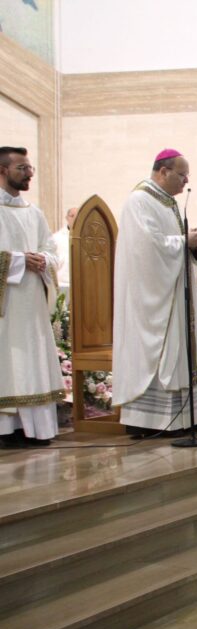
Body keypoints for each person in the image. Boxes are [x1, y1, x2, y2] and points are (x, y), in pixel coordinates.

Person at [113, 149, 197, 437]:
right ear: (163, 171)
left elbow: (167, 245)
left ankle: (181, 419)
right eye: (182, 174)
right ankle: (148, 422)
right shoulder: (139, 200)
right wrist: (182, 241)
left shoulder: (168, 204)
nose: (186, 180)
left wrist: (190, 247)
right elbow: (146, 248)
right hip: (150, 299)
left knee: (179, 351)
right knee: (155, 353)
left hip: (173, 293)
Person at [0, 147, 65, 447]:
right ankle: (6, 429)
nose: (28, 173)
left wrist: (41, 260)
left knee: (31, 362)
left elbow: (52, 252)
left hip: (32, 304)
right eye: (21, 168)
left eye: (30, 168)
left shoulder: (34, 212)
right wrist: (17, 260)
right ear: (2, 170)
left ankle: (35, 429)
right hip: (6, 304)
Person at [52, 206, 77, 288]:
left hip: (80, 283)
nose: (75, 219)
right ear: (67, 218)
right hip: (62, 284)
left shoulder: (87, 238)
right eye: (72, 216)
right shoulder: (56, 238)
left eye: (78, 216)